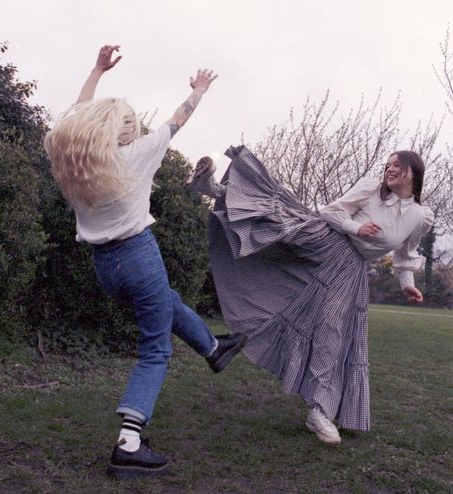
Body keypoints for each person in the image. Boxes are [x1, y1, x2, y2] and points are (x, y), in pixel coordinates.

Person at [43, 45, 246, 479]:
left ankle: (213, 348)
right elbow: (178, 120)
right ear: (127, 132)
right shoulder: (137, 155)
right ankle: (129, 443)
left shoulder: (74, 164)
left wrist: (96, 70)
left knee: (165, 301)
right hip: (138, 254)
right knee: (155, 349)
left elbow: (78, 112)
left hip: (105, 267)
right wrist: (199, 90)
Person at [185, 146, 434, 444]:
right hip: (328, 239)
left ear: (413, 172)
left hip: (351, 268)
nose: (389, 169)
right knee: (285, 219)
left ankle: (319, 411)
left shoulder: (420, 216)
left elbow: (406, 254)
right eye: (388, 164)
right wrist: (357, 227)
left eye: (397, 165)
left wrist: (407, 283)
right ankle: (213, 188)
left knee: (332, 333)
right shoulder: (371, 188)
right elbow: (331, 212)